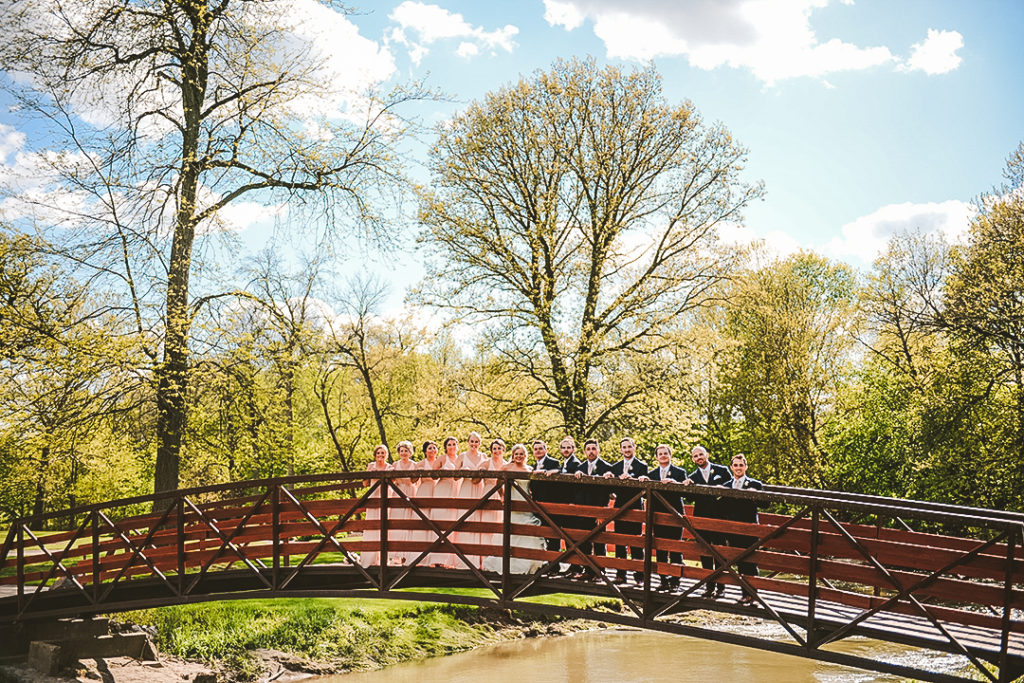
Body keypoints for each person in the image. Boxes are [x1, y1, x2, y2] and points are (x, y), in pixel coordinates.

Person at [483, 444, 546, 574]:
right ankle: (509, 564)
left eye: (521, 454)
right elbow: (498, 482)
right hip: (512, 502)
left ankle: (528, 561)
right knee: (512, 530)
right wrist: (502, 496)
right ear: (512, 455)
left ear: (525, 456)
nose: (519, 456)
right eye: (516, 454)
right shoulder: (507, 467)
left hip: (526, 503)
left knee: (527, 530)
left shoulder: (529, 469)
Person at [682, 445, 731, 598]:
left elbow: (732, 487)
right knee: (705, 552)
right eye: (695, 456)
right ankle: (709, 586)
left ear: (707, 455)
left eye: (701, 455)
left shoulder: (722, 471)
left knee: (720, 552)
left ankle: (721, 587)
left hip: (720, 517)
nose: (699, 458)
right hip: (701, 519)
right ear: (693, 459)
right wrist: (688, 487)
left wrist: (720, 489)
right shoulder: (693, 477)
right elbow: (689, 499)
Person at [639, 444, 687, 590]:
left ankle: (675, 581)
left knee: (675, 548)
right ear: (657, 457)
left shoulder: (679, 472)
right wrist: (642, 479)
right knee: (660, 549)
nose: (663, 456)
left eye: (665, 453)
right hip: (657, 516)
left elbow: (686, 491)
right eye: (660, 454)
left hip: (674, 515)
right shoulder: (652, 474)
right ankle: (663, 579)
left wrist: (676, 484)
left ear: (670, 455)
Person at [720, 454, 764, 606]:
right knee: (740, 562)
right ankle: (745, 594)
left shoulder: (755, 484)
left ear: (746, 467)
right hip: (733, 530)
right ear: (731, 467)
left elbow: (765, 505)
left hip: (750, 529)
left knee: (751, 562)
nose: (738, 468)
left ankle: (754, 595)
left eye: (741, 465)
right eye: (735, 465)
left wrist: (755, 495)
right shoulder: (726, 485)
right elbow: (721, 507)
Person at [604, 437, 648, 583]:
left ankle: (639, 576)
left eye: (629, 446)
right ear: (621, 449)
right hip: (620, 507)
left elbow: (645, 487)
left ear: (634, 448)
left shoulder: (642, 466)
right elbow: (612, 490)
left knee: (635, 540)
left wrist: (632, 479)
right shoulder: (615, 467)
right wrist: (609, 477)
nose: (627, 449)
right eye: (624, 447)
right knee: (620, 541)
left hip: (635, 506)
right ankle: (621, 574)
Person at [570, 439, 613, 579]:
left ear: (598, 450)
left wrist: (602, 512)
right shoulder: (580, 468)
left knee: (599, 541)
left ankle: (600, 571)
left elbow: (607, 492)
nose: (591, 451)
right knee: (584, 542)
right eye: (588, 449)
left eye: (593, 449)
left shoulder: (606, 467)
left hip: (599, 509)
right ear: (584, 452)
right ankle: (587, 570)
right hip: (583, 510)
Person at [456, 432, 486, 568]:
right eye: (472, 441)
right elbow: (455, 477)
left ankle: (479, 558)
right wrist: (463, 470)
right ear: (468, 442)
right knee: (465, 519)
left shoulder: (484, 457)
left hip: (480, 489)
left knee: (479, 520)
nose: (474, 444)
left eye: (476, 442)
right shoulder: (461, 456)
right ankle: (464, 558)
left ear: (480, 443)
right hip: (466, 488)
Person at [477, 439, 508, 568]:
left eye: (499, 448)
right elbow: (476, 477)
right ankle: (483, 558)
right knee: (486, 526)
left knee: (499, 527)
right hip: (488, 493)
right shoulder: (485, 463)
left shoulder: (507, 465)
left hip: (502, 496)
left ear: (504, 450)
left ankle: (496, 558)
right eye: (494, 448)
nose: (496, 451)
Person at [432, 436, 462, 567]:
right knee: (440, 520)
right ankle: (437, 557)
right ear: (445, 447)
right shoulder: (442, 459)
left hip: (456, 489)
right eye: (449, 445)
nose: (452, 447)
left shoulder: (460, 458)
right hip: (443, 488)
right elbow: (432, 474)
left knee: (453, 521)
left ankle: (450, 559)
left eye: (454, 444)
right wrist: (442, 472)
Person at [360, 445, 391, 567]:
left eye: (383, 453)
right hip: (374, 496)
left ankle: (383, 558)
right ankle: (370, 557)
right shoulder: (371, 466)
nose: (380, 455)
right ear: (375, 455)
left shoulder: (390, 467)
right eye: (378, 453)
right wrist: (369, 474)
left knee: (384, 526)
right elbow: (364, 483)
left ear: (386, 455)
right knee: (372, 525)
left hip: (385, 497)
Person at [530, 439, 562, 554]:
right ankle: (543, 560)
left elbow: (560, 471)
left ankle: (554, 565)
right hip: (537, 505)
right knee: (541, 533)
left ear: (546, 450)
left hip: (551, 504)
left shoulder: (554, 463)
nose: (538, 451)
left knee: (553, 535)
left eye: (540, 448)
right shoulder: (532, 466)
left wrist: (550, 471)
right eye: (536, 449)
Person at [390, 441, 419, 565]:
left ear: (410, 452)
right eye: (401, 451)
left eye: (406, 451)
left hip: (410, 492)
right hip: (398, 492)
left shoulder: (415, 465)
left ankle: (408, 554)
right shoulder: (395, 465)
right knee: (397, 523)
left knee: (409, 523)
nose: (403, 453)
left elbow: (416, 480)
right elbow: (390, 479)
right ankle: (396, 555)